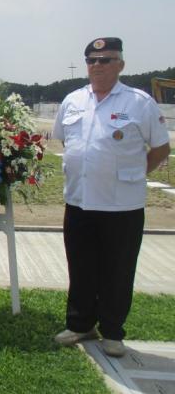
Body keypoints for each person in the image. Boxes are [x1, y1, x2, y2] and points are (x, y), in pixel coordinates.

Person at [53, 37, 170, 357]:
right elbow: (65, 141)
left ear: (120, 64)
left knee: (117, 270)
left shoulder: (139, 102)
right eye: (92, 60)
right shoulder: (73, 100)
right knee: (80, 266)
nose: (97, 66)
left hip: (122, 205)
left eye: (105, 60)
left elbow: (161, 148)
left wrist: (134, 175)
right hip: (79, 201)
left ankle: (113, 332)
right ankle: (80, 324)